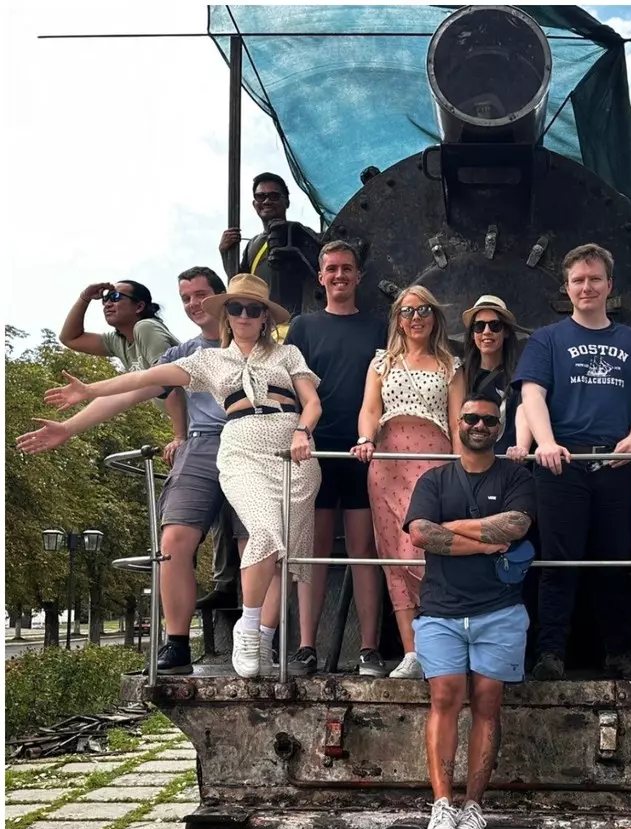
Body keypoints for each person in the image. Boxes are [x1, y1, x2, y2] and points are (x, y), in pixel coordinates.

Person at [45, 275, 321, 679]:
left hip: (289, 450)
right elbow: (143, 380)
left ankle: (263, 640)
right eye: (236, 307)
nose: (244, 315)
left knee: (274, 549)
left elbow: (312, 401)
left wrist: (302, 431)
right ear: (225, 313)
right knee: (239, 534)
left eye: (254, 308)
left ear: (265, 316)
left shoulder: (288, 353)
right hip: (236, 445)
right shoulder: (201, 358)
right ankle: (220, 633)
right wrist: (86, 395)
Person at [16, 268, 244, 672]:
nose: (193, 305)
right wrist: (69, 427)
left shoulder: (257, 345)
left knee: (254, 542)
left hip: (250, 444)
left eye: (200, 296)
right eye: (185, 297)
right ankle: (176, 644)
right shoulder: (184, 354)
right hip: (204, 444)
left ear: (220, 299)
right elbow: (135, 387)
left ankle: (259, 638)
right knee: (173, 540)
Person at [514, 242, 631, 680]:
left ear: (609, 285)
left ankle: (619, 652)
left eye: (595, 278)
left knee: (613, 562)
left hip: (615, 465)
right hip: (563, 465)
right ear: (567, 287)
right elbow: (531, 394)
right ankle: (549, 653)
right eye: (578, 280)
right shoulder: (548, 339)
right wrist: (545, 443)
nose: (587, 287)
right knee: (558, 562)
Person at [405, 390, 536, 829]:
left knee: (487, 704)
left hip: (500, 611)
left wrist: (453, 526)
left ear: (499, 429)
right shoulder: (434, 479)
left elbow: (516, 526)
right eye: (471, 419)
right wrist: (483, 542)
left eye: (488, 421)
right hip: (441, 609)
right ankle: (442, 806)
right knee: (444, 697)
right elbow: (421, 534)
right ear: (457, 424)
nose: (479, 426)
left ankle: (474, 806)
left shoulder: (516, 476)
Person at [286, 241, 389, 676]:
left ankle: (369, 648)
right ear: (321, 277)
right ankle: (306, 645)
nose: (340, 275)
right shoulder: (303, 328)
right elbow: (288, 385)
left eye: (347, 268)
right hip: (316, 449)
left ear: (359, 276)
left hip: (363, 450)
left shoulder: (378, 328)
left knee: (364, 549)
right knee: (315, 550)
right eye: (332, 269)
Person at [352, 286, 466, 680]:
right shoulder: (380, 363)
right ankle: (412, 652)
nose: (415, 318)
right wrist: (366, 440)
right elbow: (369, 409)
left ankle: (442, 644)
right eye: (407, 311)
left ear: (435, 317)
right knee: (394, 557)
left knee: (427, 550)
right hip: (387, 462)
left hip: (433, 462)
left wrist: (460, 467)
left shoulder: (451, 365)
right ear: (398, 318)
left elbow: (457, 422)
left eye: (423, 311)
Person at [219, 172, 325, 316]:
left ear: (286, 202)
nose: (267, 201)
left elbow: (323, 271)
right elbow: (240, 287)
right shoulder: (252, 245)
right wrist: (226, 253)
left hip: (300, 325)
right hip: (264, 327)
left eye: (274, 196)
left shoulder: (300, 234)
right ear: (254, 204)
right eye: (260, 196)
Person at [457, 296, 532, 458]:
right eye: (479, 326)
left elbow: (525, 411)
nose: (486, 331)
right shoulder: (461, 374)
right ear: (472, 334)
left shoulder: (521, 374)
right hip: (473, 461)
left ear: (505, 332)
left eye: (495, 325)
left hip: (510, 460)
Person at [57, 279, 178, 372]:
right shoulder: (118, 341)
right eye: (105, 299)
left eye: (115, 297)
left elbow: (167, 380)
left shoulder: (147, 327)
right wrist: (85, 297)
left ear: (139, 307)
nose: (107, 304)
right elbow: (69, 339)